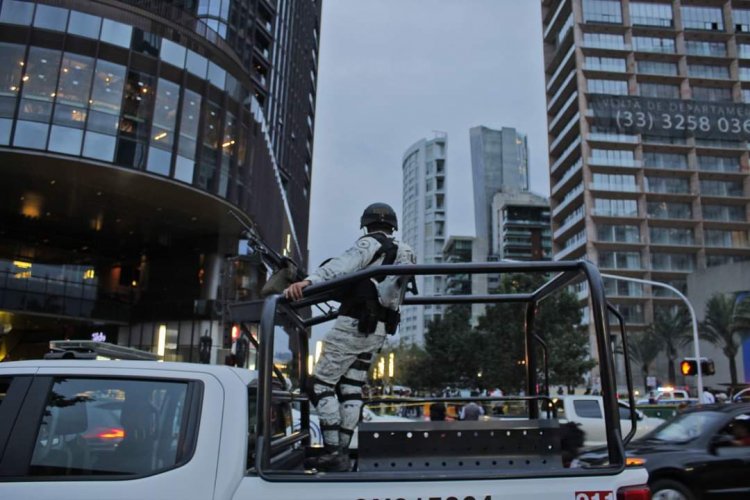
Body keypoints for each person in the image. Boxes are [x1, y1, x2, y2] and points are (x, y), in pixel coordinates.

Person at [284, 203, 415, 472]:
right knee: (351, 388)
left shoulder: (369, 244)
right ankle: (342, 451)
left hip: (354, 323)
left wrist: (309, 281)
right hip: (378, 329)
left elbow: (343, 265)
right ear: (393, 226)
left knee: (319, 384)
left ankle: (333, 450)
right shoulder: (406, 252)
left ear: (366, 225)